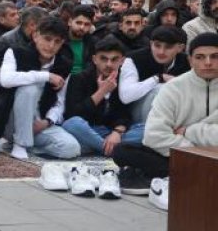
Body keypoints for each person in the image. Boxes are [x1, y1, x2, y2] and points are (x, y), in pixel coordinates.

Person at [113, 33, 218, 193]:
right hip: (185, 153)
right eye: (200, 57)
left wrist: (189, 131)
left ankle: (186, 173)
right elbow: (154, 135)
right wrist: (196, 153)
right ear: (190, 60)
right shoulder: (173, 88)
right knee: (123, 151)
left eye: (215, 56)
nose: (208, 63)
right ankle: (200, 171)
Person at [0, 17, 79, 160]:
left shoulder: (63, 64)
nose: (51, 46)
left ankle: (25, 144)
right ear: (35, 36)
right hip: (9, 119)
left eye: (57, 42)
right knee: (29, 88)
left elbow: (60, 102)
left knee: (71, 149)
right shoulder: (15, 52)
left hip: (37, 123)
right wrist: (45, 76)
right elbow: (6, 80)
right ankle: (20, 144)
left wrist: (47, 121)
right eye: (47, 39)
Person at [59, 38, 140, 156]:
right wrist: (101, 92)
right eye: (103, 59)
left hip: (111, 132)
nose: (109, 64)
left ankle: (98, 147)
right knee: (72, 124)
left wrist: (117, 132)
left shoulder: (124, 79)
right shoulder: (79, 78)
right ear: (95, 59)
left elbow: (124, 114)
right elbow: (72, 114)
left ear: (122, 61)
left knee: (146, 130)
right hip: (87, 129)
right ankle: (115, 151)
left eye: (114, 59)